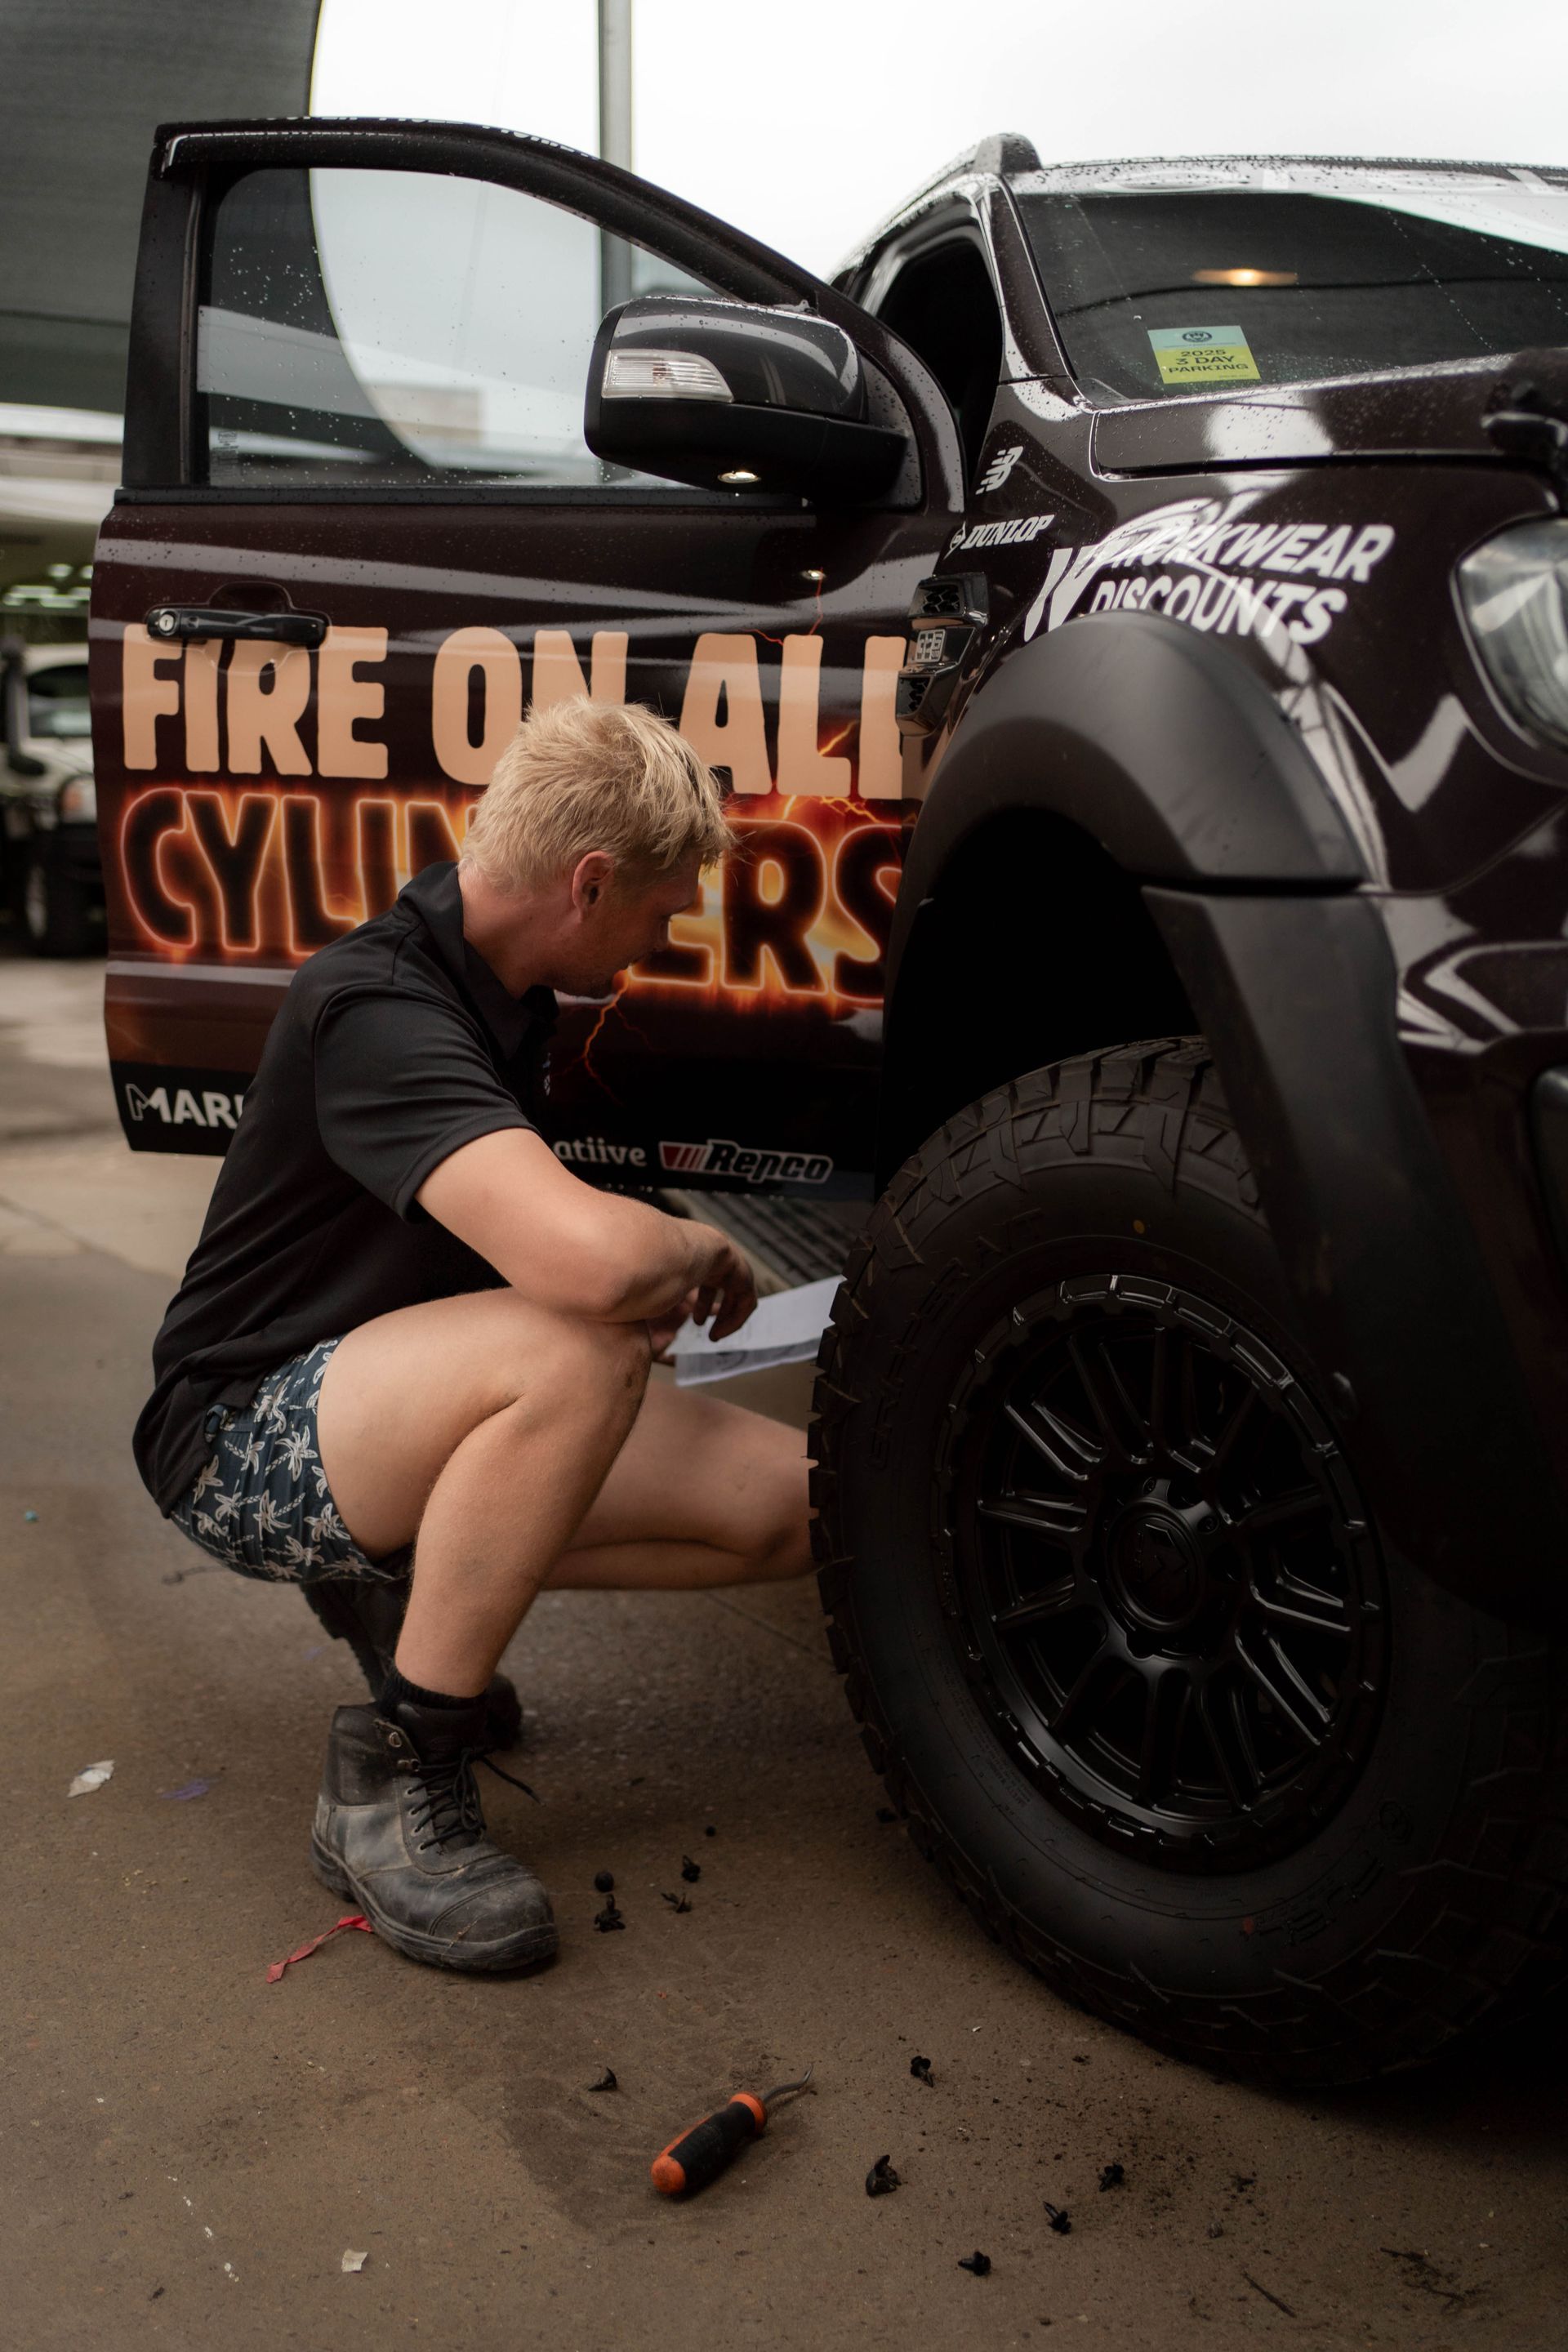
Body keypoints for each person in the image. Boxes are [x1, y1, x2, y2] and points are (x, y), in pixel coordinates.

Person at [132, 697, 811, 1974]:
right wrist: (694, 1249)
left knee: (799, 1507)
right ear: (589, 879)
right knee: (580, 1344)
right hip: (238, 1435)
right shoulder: (377, 1003)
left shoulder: (504, 989)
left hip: (386, 1393)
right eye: (662, 910)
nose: (664, 940)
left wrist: (635, 1258)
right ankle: (396, 1774)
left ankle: (412, 1579)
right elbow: (591, 1267)